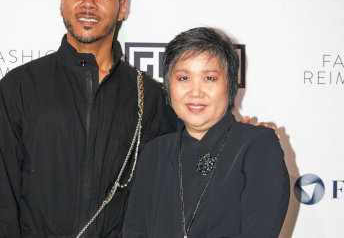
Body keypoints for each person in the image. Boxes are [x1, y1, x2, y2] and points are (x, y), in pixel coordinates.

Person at [0, 0, 175, 237]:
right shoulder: (20, 87)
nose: (88, 3)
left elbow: (176, 181)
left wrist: (242, 135)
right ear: (61, 3)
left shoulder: (150, 97)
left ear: (122, 8)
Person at [123, 27, 290, 238]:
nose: (195, 92)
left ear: (229, 84)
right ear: (168, 85)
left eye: (209, 78)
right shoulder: (155, 152)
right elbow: (135, 231)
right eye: (183, 78)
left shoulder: (257, 145)